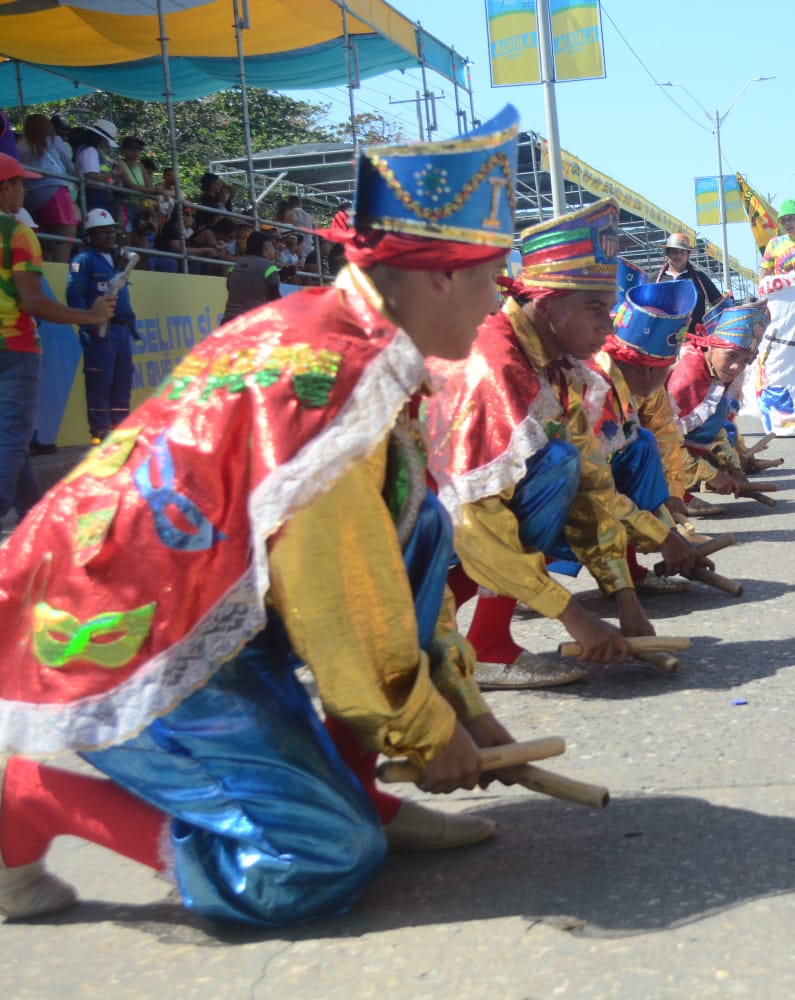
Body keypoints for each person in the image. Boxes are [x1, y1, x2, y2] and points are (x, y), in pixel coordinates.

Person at [0, 107, 527, 924]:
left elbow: (382, 573)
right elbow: (345, 610)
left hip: (204, 586)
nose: (497, 303)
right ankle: (33, 798)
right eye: (494, 278)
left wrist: (464, 708)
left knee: (419, 522)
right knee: (315, 860)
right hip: (128, 620)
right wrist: (427, 732)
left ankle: (357, 790)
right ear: (442, 277)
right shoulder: (334, 383)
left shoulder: (357, 339)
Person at [427, 200, 703, 691]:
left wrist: (625, 598)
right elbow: (477, 523)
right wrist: (572, 615)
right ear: (549, 305)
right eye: (595, 309)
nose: (609, 325)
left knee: (566, 465)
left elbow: (594, 485)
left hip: (446, 519)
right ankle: (474, 641)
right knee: (551, 468)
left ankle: (430, 629)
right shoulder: (496, 367)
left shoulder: (556, 366)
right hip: (399, 516)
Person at [0, 154, 115, 531]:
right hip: (14, 349)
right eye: (19, 184)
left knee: (11, 442)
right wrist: (91, 316)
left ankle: (39, 522)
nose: (25, 191)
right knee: (13, 440)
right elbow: (33, 302)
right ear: (5, 188)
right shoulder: (16, 233)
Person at [592, 278, 712, 591]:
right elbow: (596, 489)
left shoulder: (646, 384)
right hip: (557, 492)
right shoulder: (592, 389)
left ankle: (628, 573)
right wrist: (663, 536)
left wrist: (672, 496)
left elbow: (665, 435)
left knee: (642, 444)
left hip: (589, 484)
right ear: (649, 370)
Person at [667, 298, 768, 499]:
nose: (737, 367)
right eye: (731, 356)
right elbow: (664, 440)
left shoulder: (715, 371)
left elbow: (715, 429)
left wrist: (734, 467)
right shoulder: (689, 376)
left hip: (675, 445)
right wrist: (709, 473)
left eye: (745, 361)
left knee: (721, 410)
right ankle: (675, 492)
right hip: (652, 447)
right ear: (711, 346)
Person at [66, 208, 137, 444]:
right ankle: (100, 432)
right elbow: (75, 293)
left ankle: (120, 429)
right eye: (102, 233)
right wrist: (89, 323)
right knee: (100, 381)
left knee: (122, 381)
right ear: (90, 236)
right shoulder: (83, 261)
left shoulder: (117, 261)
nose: (109, 237)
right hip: (100, 331)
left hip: (121, 330)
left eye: (111, 232)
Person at [16, 114, 78, 263]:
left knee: (43, 239)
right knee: (66, 236)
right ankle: (61, 275)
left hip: (29, 195)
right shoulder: (54, 140)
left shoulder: (20, 145)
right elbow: (68, 165)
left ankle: (47, 272)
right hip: (56, 190)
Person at [654, 232, 722, 331]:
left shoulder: (700, 278)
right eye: (674, 251)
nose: (678, 255)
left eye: (682, 252)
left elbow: (721, 306)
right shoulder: (653, 279)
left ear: (688, 255)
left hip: (694, 341)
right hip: (659, 339)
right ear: (667, 254)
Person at [221, 230, 282, 323]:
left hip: (229, 321)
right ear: (265, 247)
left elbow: (232, 288)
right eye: (272, 246)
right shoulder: (268, 266)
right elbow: (274, 297)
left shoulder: (235, 266)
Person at [73, 119, 116, 214]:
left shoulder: (93, 151)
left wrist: (111, 176)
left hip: (98, 195)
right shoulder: (90, 150)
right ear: (100, 138)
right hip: (93, 195)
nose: (107, 144)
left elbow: (105, 176)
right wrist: (114, 173)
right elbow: (91, 176)